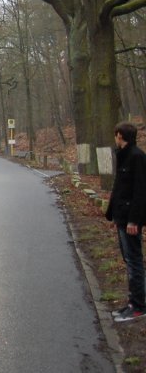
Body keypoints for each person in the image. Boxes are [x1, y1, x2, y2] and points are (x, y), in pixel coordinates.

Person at [106, 122, 146, 322]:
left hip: (131, 221)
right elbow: (119, 189)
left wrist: (133, 220)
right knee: (128, 260)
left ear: (120, 135)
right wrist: (114, 216)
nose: (115, 138)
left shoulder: (137, 157)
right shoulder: (124, 156)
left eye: (116, 135)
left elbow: (140, 193)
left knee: (134, 262)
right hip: (122, 218)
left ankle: (139, 306)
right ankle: (132, 304)